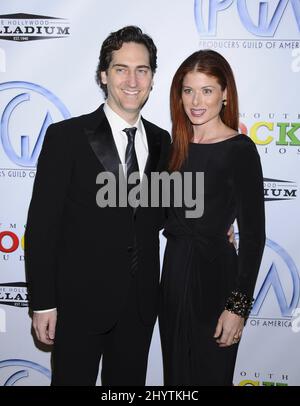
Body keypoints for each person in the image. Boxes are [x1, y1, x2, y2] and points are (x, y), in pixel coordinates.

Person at [25, 25, 171, 386]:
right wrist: (43, 303)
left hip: (139, 307)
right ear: (104, 76)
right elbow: (42, 228)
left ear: (153, 78)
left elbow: (165, 210)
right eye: (121, 68)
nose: (132, 80)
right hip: (78, 305)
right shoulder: (66, 138)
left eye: (143, 70)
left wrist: (215, 227)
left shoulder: (162, 141)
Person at [159, 50, 265, 386]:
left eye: (206, 90)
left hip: (217, 279)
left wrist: (238, 307)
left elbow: (252, 237)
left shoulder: (240, 149)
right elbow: (155, 213)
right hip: (173, 277)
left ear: (225, 94)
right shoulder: (172, 147)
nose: (196, 100)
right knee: (176, 380)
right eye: (188, 90)